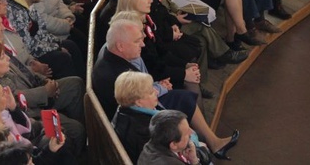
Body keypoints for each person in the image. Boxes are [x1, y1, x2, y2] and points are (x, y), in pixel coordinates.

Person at [92, 20, 237, 158]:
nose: (142, 44)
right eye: (137, 41)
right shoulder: (113, 74)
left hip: (142, 106)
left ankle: (211, 141)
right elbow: (133, 105)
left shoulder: (115, 54)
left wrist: (157, 87)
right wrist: (159, 89)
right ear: (120, 46)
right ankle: (201, 144)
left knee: (184, 97)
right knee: (184, 101)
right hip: (140, 117)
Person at [6, 0, 83, 79]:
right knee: (62, 57)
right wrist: (56, 48)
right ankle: (71, 88)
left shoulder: (30, 4)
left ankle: (83, 82)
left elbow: (42, 32)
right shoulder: (17, 12)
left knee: (70, 45)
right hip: (30, 54)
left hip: (39, 45)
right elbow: (28, 44)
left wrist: (58, 44)